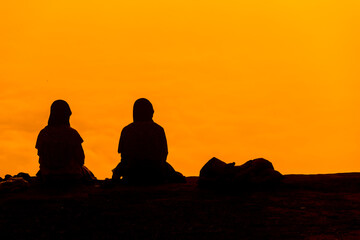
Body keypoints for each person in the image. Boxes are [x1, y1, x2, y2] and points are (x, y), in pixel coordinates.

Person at [112, 98, 185, 184]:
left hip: (133, 174)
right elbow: (163, 154)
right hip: (156, 174)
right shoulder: (158, 130)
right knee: (175, 174)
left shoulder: (126, 130)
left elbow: (124, 157)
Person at [35, 100, 96, 183]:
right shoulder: (72, 134)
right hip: (71, 176)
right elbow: (81, 159)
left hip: (48, 176)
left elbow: (40, 157)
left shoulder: (43, 134)